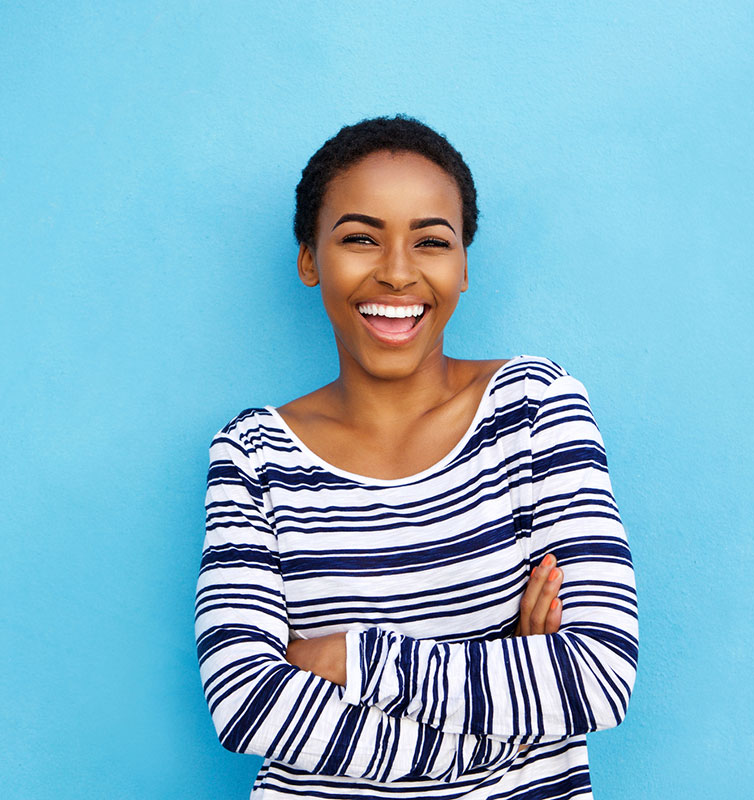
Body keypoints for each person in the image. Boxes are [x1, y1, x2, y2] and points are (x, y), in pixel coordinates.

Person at [195, 115, 638, 799]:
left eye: (431, 241)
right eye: (360, 238)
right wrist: (510, 716)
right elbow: (246, 702)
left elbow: (598, 677)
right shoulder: (254, 454)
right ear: (311, 258)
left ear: (463, 267)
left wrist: (350, 657)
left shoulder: (534, 408)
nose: (398, 272)